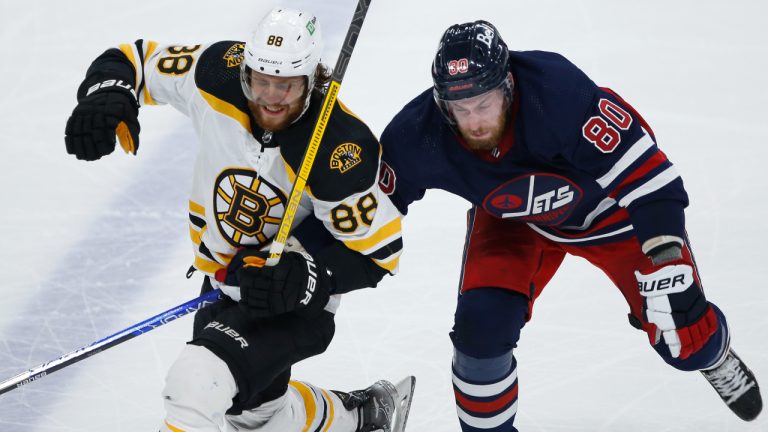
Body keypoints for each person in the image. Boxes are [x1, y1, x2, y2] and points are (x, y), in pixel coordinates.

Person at [378, 19, 762, 431]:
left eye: (484, 103)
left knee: (685, 339)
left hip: (613, 214)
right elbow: (363, 215)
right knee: (479, 335)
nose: (473, 122)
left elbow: (651, 182)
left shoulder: (558, 95)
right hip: (514, 220)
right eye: (460, 108)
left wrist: (667, 259)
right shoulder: (420, 133)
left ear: (508, 85)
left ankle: (715, 357)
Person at [64, 7, 414, 432]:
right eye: (261, 81)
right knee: (256, 417)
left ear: (312, 79)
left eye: (285, 86)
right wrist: (108, 92)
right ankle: (366, 416)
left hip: (288, 297)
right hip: (222, 279)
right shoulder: (218, 74)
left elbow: (378, 254)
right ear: (246, 69)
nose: (270, 97)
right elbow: (134, 60)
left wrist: (307, 276)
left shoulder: (340, 150)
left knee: (197, 383)